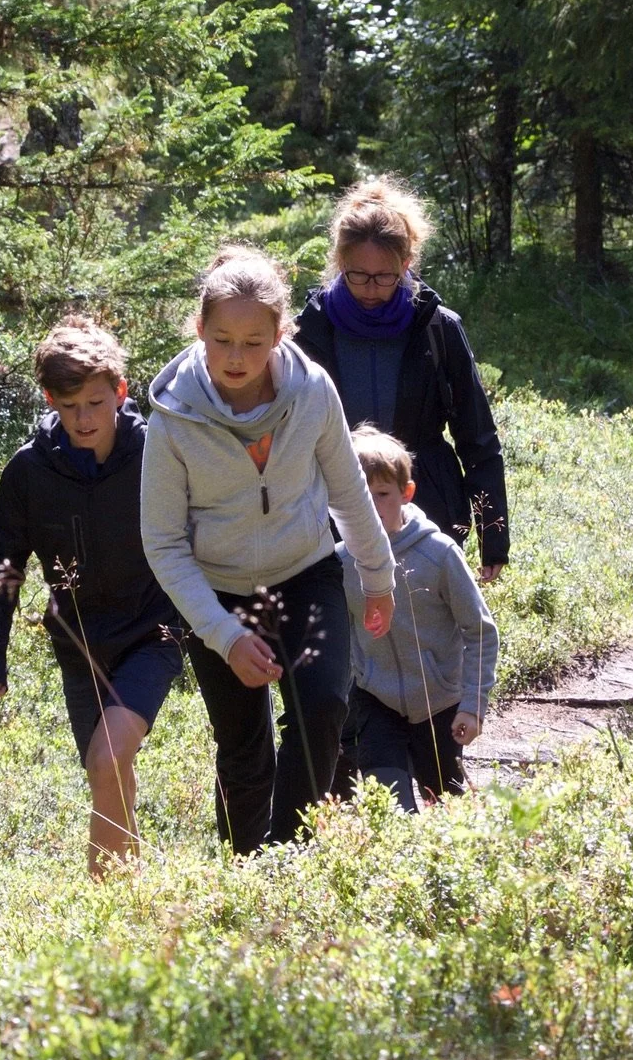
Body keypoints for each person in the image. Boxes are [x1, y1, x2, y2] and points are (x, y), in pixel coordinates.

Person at [141, 245, 397, 852]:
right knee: (244, 750)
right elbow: (163, 541)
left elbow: (348, 491)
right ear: (199, 329)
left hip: (305, 574)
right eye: (222, 339)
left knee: (325, 708)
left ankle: (284, 864)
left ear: (281, 334)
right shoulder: (173, 415)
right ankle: (242, 869)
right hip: (218, 593)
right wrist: (225, 636)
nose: (236, 357)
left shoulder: (312, 393)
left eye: (254, 342)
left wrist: (378, 575)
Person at [0, 316, 183, 878]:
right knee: (108, 771)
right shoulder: (29, 471)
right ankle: (130, 893)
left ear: (120, 391)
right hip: (80, 644)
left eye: (96, 403)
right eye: (70, 408)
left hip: (152, 631)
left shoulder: (156, 452)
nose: (84, 420)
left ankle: (103, 894)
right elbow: (5, 561)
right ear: (50, 400)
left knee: (107, 756)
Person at [293, 177, 511, 583]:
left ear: (406, 264)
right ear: (340, 263)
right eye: (359, 275)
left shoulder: (438, 329)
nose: (371, 289)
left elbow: (477, 435)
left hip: (427, 506)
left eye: (384, 276)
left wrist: (493, 535)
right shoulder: (310, 331)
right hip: (334, 511)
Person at [338, 425, 499, 810]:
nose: (372, 507)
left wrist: (472, 704)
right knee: (391, 806)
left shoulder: (438, 554)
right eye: (360, 496)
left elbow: (480, 632)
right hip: (376, 701)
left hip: (439, 703)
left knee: (446, 804)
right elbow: (337, 639)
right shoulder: (341, 562)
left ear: (406, 493)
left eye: (382, 494)